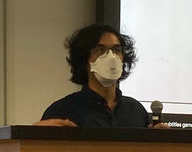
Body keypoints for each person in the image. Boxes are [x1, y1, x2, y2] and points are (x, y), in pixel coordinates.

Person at [35, 24, 168, 129]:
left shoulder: (135, 111)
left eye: (116, 50)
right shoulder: (63, 110)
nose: (111, 57)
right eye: (100, 50)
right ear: (84, 60)